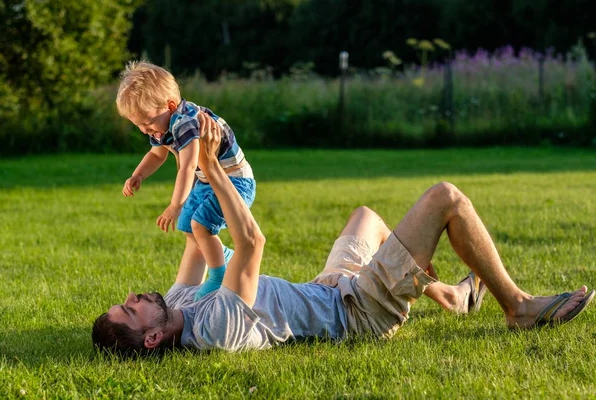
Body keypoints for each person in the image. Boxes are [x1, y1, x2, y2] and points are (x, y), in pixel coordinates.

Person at [92, 113, 594, 356]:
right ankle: (518, 308)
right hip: (357, 313)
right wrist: (211, 164)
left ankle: (451, 294)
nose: (135, 295)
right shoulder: (214, 327)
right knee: (446, 198)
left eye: (127, 299)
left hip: (329, 288)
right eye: (132, 309)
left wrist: (202, 155)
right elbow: (250, 244)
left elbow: (199, 237)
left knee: (367, 217)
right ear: (153, 337)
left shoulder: (181, 300)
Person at [116, 61, 255, 300]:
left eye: (147, 122)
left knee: (201, 225)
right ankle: (224, 259)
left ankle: (219, 274)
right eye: (137, 125)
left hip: (234, 182)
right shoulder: (163, 125)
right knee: (188, 225)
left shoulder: (186, 122)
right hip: (207, 181)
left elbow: (188, 166)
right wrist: (138, 174)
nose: (145, 130)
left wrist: (175, 205)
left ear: (170, 106)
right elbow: (156, 154)